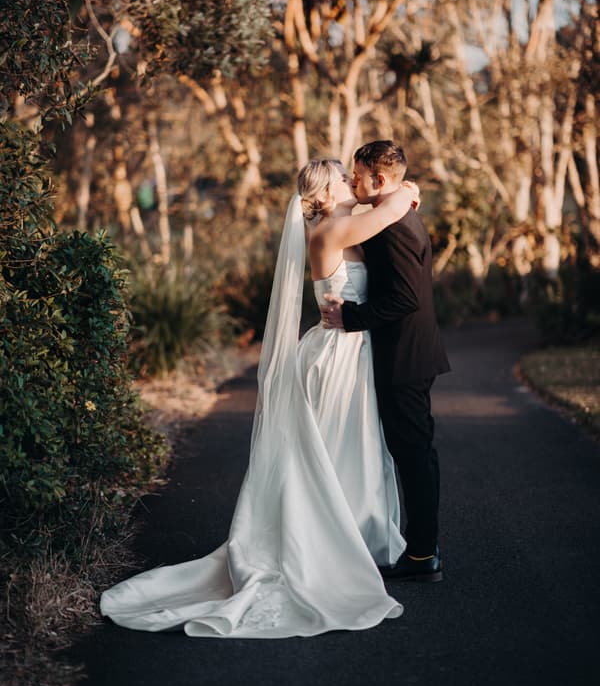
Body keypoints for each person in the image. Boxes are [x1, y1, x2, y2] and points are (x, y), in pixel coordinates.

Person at [100, 159, 419, 638]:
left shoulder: (339, 224)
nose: (351, 185)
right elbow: (392, 210)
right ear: (325, 195)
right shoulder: (330, 232)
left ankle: (354, 536)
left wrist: (400, 190)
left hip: (349, 349)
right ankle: (320, 547)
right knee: (328, 451)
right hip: (335, 356)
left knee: (346, 449)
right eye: (342, 180)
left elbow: (387, 211)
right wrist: (407, 188)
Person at [321, 141, 450, 583]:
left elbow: (405, 297)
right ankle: (420, 548)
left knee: (413, 452)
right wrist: (400, 194)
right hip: (410, 351)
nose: (353, 183)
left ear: (378, 180)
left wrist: (350, 316)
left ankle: (422, 555)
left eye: (357, 177)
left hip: (405, 355)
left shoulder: (393, 225)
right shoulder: (393, 211)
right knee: (412, 450)